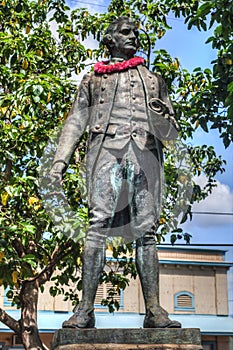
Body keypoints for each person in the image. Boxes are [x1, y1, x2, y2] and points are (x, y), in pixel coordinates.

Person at [50, 16, 181, 328]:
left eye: (135, 32)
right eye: (125, 32)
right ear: (109, 40)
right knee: (97, 227)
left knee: (146, 232)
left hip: (145, 158)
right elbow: (75, 122)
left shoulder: (153, 80)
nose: (133, 36)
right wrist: (59, 162)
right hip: (106, 154)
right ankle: (85, 310)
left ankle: (154, 311)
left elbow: (171, 133)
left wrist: (162, 116)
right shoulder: (93, 80)